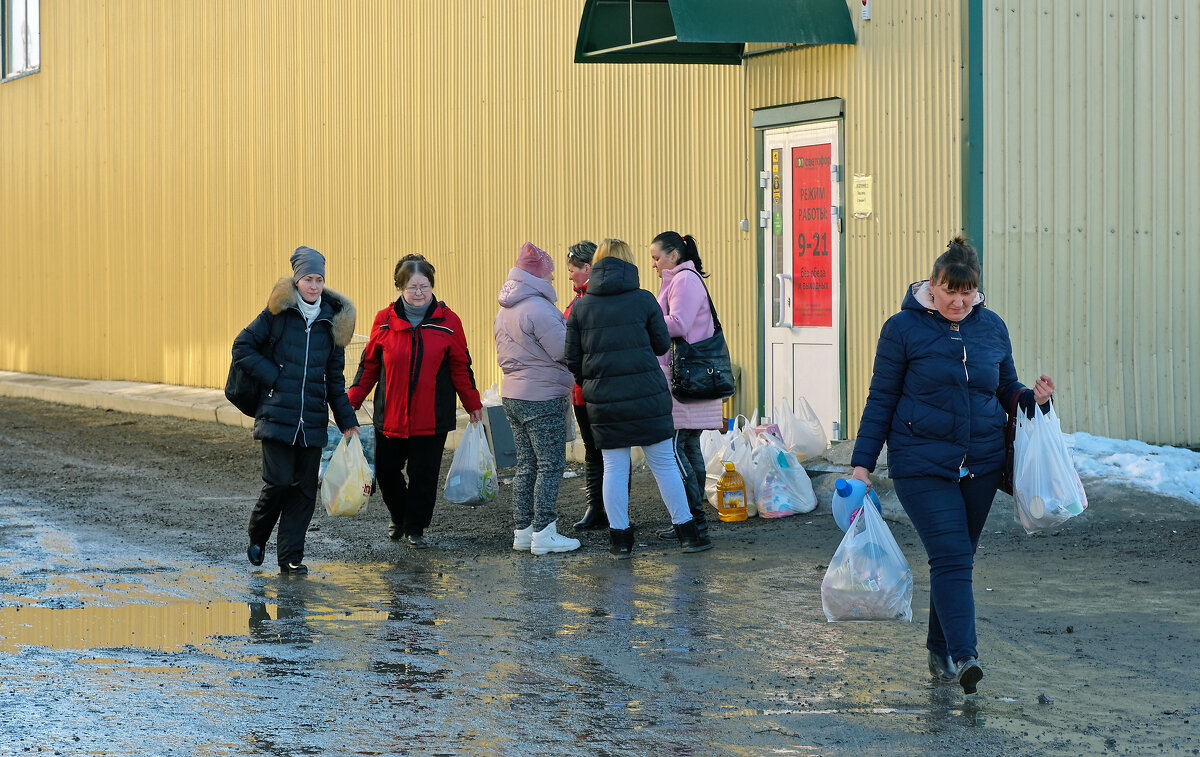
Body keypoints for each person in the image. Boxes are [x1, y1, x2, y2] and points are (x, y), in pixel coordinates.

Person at [849, 237, 1056, 694]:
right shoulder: (902, 329)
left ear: (976, 290)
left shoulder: (992, 327)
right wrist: (862, 465)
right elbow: (882, 398)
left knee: (954, 561)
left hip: (981, 463)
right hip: (921, 464)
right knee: (952, 557)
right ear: (932, 284)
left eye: (967, 293)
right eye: (949, 291)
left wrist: (1032, 399)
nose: (958, 301)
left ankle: (937, 647)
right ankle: (966, 657)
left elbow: (1005, 389)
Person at [565, 238, 713, 557]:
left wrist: (593, 385)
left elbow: (573, 360)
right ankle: (687, 532)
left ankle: (620, 540)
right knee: (663, 464)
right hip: (648, 396)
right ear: (628, 263)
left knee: (614, 467)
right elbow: (661, 345)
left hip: (603, 401)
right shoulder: (644, 300)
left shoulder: (580, 306)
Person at [233, 246, 359, 575]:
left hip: (313, 419)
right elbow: (242, 346)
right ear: (297, 280)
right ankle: (258, 536)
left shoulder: (333, 321)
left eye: (319, 279)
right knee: (278, 482)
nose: (314, 286)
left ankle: (290, 557)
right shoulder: (277, 314)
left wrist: (347, 420)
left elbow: (335, 378)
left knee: (304, 490)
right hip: (277, 414)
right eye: (307, 279)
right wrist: (274, 376)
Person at [348, 254, 483, 548]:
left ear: (432, 286)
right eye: (412, 287)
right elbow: (369, 366)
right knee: (385, 471)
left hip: (432, 417)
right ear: (400, 288)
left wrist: (472, 404)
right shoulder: (384, 320)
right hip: (391, 416)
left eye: (424, 286)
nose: (419, 292)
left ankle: (415, 527)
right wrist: (352, 403)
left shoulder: (449, 321)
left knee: (424, 475)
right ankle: (399, 515)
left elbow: (461, 366)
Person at [494, 242, 580, 556]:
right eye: (551, 274)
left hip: (514, 394)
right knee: (550, 465)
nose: (555, 279)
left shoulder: (506, 308)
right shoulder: (539, 308)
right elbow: (562, 351)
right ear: (537, 275)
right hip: (542, 397)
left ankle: (523, 531)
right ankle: (544, 532)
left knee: (527, 466)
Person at [649, 232, 724, 540]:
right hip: (689, 376)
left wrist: (647, 320)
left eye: (657, 257)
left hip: (684, 377)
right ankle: (693, 517)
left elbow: (678, 323)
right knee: (688, 445)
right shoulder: (679, 279)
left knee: (676, 448)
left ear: (674, 256)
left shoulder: (684, 281)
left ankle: (691, 519)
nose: (653, 264)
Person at [562, 240, 610, 531]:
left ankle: (609, 508)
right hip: (581, 391)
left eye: (572, 270)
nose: (569, 276)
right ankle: (597, 508)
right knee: (593, 450)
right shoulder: (579, 299)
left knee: (609, 450)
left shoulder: (593, 299)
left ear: (587, 268)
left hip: (595, 388)